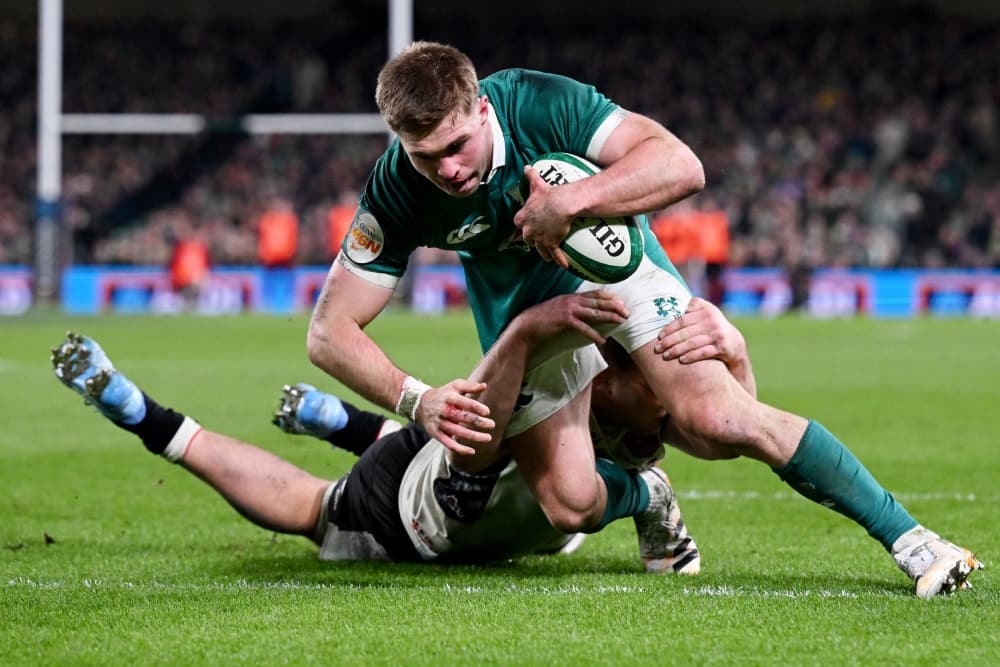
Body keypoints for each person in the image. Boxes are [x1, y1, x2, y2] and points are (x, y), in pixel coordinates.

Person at [307, 41, 981, 597]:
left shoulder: (540, 103)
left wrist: (572, 204)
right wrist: (415, 400)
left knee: (718, 421)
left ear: (482, 109)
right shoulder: (398, 189)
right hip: (526, 314)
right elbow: (328, 333)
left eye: (457, 144)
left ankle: (913, 541)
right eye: (426, 156)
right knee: (569, 503)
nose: (449, 170)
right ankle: (647, 494)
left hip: (611, 260)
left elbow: (681, 165)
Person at [50, 294, 744, 566]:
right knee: (316, 507)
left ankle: (347, 423)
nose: (673, 394)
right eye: (658, 379)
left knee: (500, 465)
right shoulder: (576, 370)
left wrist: (733, 347)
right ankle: (144, 414)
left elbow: (734, 429)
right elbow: (483, 434)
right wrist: (525, 332)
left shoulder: (636, 393)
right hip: (422, 503)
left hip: (448, 454)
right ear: (614, 373)